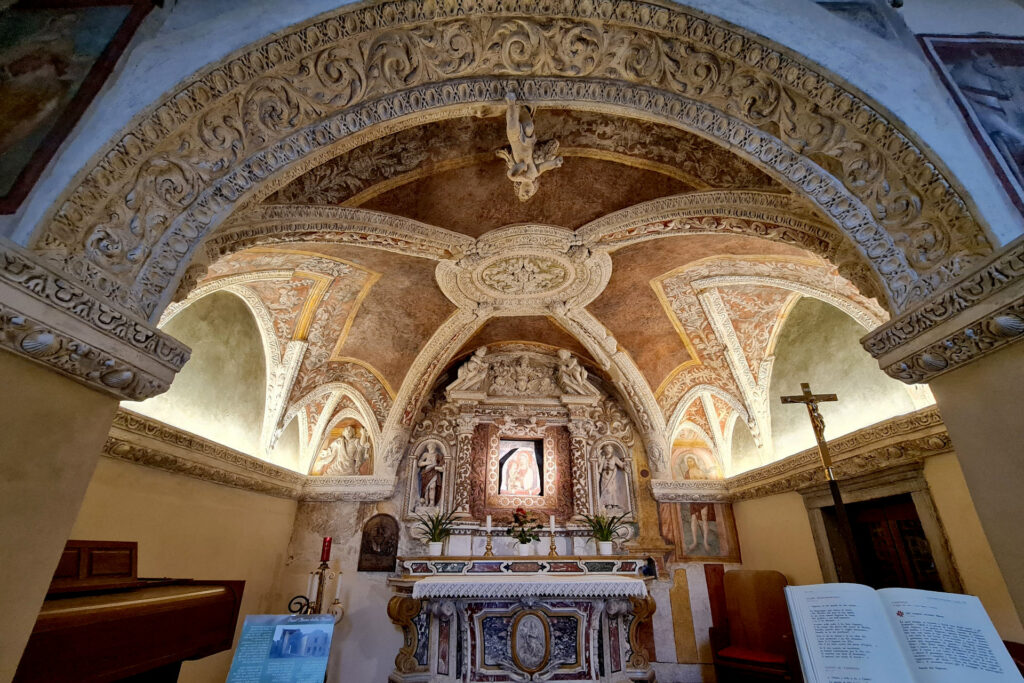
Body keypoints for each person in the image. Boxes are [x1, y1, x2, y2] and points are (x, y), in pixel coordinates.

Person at [683, 455, 716, 553]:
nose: (690, 463)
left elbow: (706, 482)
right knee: (694, 518)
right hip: (693, 497)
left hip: (703, 496)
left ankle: (705, 542)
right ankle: (695, 541)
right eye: (688, 461)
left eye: (691, 461)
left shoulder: (700, 471)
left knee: (704, 517)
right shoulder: (687, 473)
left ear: (695, 461)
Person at [598, 443, 626, 509]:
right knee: (605, 488)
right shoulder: (603, 458)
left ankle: (614, 504)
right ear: (604, 450)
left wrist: (625, 465)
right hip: (604, 475)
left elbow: (621, 465)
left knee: (612, 489)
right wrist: (599, 454)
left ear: (612, 450)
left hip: (612, 476)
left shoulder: (614, 458)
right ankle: (607, 504)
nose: (608, 449)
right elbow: (599, 465)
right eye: (607, 448)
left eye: (610, 448)